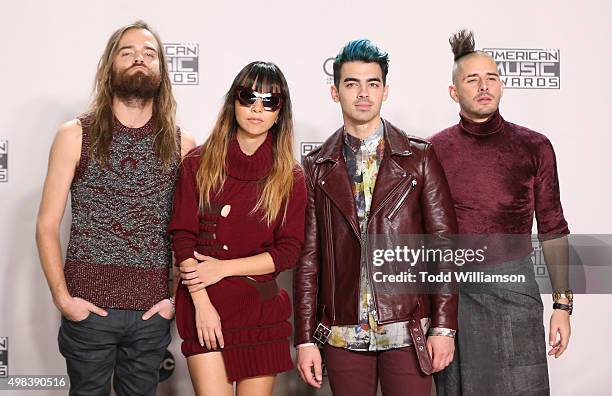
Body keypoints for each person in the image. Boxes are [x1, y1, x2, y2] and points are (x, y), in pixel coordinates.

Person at [35, 21, 195, 395]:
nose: (139, 58)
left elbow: (190, 232)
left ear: (161, 70)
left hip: (151, 314)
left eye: (149, 53)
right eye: (128, 52)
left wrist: (174, 300)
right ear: (110, 66)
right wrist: (64, 299)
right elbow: (46, 225)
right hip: (87, 311)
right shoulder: (75, 135)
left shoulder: (183, 144)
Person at [294, 39, 458, 396]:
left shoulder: (419, 157)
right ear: (335, 92)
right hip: (343, 331)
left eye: (373, 84)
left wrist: (444, 327)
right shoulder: (316, 167)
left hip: (407, 327)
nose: (363, 93)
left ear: (385, 90)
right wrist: (305, 339)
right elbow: (308, 259)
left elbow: (443, 245)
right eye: (352, 84)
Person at [430, 30, 572, 396]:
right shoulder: (432, 150)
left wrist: (562, 304)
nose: (483, 86)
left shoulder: (534, 146)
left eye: (491, 78)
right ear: (453, 91)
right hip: (455, 296)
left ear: (502, 85)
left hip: (515, 292)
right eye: (472, 79)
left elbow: (553, 227)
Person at [167, 61, 307, 396]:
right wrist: (201, 305)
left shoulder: (291, 177)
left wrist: (223, 269)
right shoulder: (197, 164)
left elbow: (288, 251)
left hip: (260, 313)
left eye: (269, 101)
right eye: (248, 97)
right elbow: (183, 238)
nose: (257, 108)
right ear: (234, 102)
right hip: (206, 306)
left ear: (279, 113)